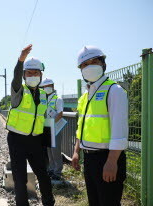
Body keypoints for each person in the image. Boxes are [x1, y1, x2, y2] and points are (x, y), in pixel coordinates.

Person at [72, 45, 128, 206]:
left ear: (103, 64)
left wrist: (111, 162)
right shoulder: (85, 95)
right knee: (94, 202)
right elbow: (81, 126)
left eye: (94, 61)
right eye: (85, 64)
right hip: (89, 159)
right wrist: (77, 151)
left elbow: (120, 131)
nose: (89, 67)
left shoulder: (114, 90)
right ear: (80, 70)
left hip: (108, 158)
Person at [6, 44, 55, 206]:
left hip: (36, 141)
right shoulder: (18, 91)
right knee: (20, 178)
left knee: (43, 174)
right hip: (17, 140)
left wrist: (47, 144)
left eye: (36, 73)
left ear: (41, 75)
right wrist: (21, 60)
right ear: (24, 75)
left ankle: (49, 203)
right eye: (29, 73)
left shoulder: (43, 94)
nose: (32, 75)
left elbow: (45, 120)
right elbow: (15, 76)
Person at [39, 78, 64, 180]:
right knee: (49, 150)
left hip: (55, 128)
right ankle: (52, 169)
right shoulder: (44, 100)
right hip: (47, 128)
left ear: (52, 86)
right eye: (44, 87)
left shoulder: (58, 99)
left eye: (47, 86)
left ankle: (57, 172)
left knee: (56, 151)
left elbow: (60, 114)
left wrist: (53, 124)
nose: (46, 88)